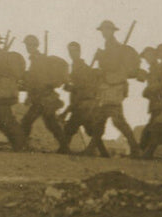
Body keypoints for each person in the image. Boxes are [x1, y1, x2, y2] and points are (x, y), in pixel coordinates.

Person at [92, 20, 144, 157]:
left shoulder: (115, 47)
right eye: (103, 30)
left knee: (115, 120)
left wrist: (101, 57)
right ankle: (134, 148)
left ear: (112, 31)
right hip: (108, 86)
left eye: (106, 30)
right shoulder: (109, 46)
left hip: (114, 86)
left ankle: (135, 149)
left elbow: (112, 65)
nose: (104, 32)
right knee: (103, 118)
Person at [60, 40, 106, 156]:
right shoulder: (75, 67)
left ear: (79, 52)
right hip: (81, 103)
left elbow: (84, 87)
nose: (72, 53)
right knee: (91, 130)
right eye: (70, 51)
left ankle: (63, 149)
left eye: (74, 51)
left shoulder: (83, 68)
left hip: (83, 104)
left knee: (70, 128)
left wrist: (71, 88)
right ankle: (104, 153)